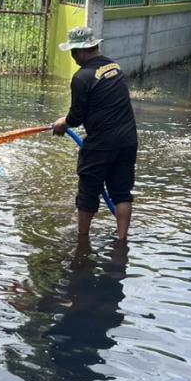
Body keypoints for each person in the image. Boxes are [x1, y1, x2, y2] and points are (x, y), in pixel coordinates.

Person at [51, 26, 137, 240]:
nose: (72, 56)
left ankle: (82, 240)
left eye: (73, 51)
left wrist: (62, 123)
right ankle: (122, 240)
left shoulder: (82, 77)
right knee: (121, 193)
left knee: (88, 192)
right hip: (128, 139)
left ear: (81, 51)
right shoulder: (114, 67)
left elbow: (76, 117)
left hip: (102, 143)